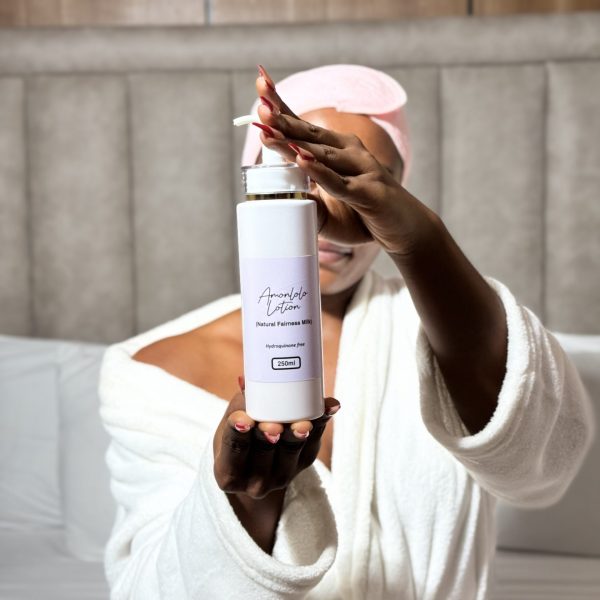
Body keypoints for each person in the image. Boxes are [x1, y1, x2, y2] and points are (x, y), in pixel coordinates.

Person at [99, 64, 594, 599]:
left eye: (354, 181)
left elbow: (544, 466)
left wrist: (420, 241)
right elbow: (150, 587)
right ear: (259, 182)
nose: (327, 208)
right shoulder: (151, 374)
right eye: (303, 176)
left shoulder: (452, 326)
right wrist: (247, 506)